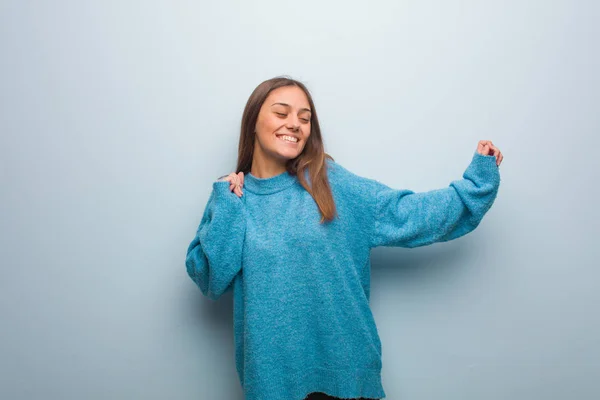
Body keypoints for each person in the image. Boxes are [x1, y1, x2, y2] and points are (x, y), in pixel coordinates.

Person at [185, 76, 503, 400]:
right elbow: (210, 277)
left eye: (304, 118)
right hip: (271, 386)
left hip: (347, 382)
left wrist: (476, 184)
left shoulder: (329, 183)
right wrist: (226, 202)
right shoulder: (233, 200)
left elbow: (407, 213)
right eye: (282, 113)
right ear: (253, 121)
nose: (294, 124)